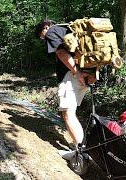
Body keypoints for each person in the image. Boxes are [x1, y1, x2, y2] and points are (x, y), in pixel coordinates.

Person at [35, 19, 96, 160]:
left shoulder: (52, 31)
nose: (43, 38)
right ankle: (83, 148)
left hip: (72, 75)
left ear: (45, 27)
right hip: (86, 73)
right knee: (71, 113)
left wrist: (76, 72)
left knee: (68, 113)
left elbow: (61, 53)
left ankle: (81, 153)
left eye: (41, 35)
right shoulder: (67, 28)